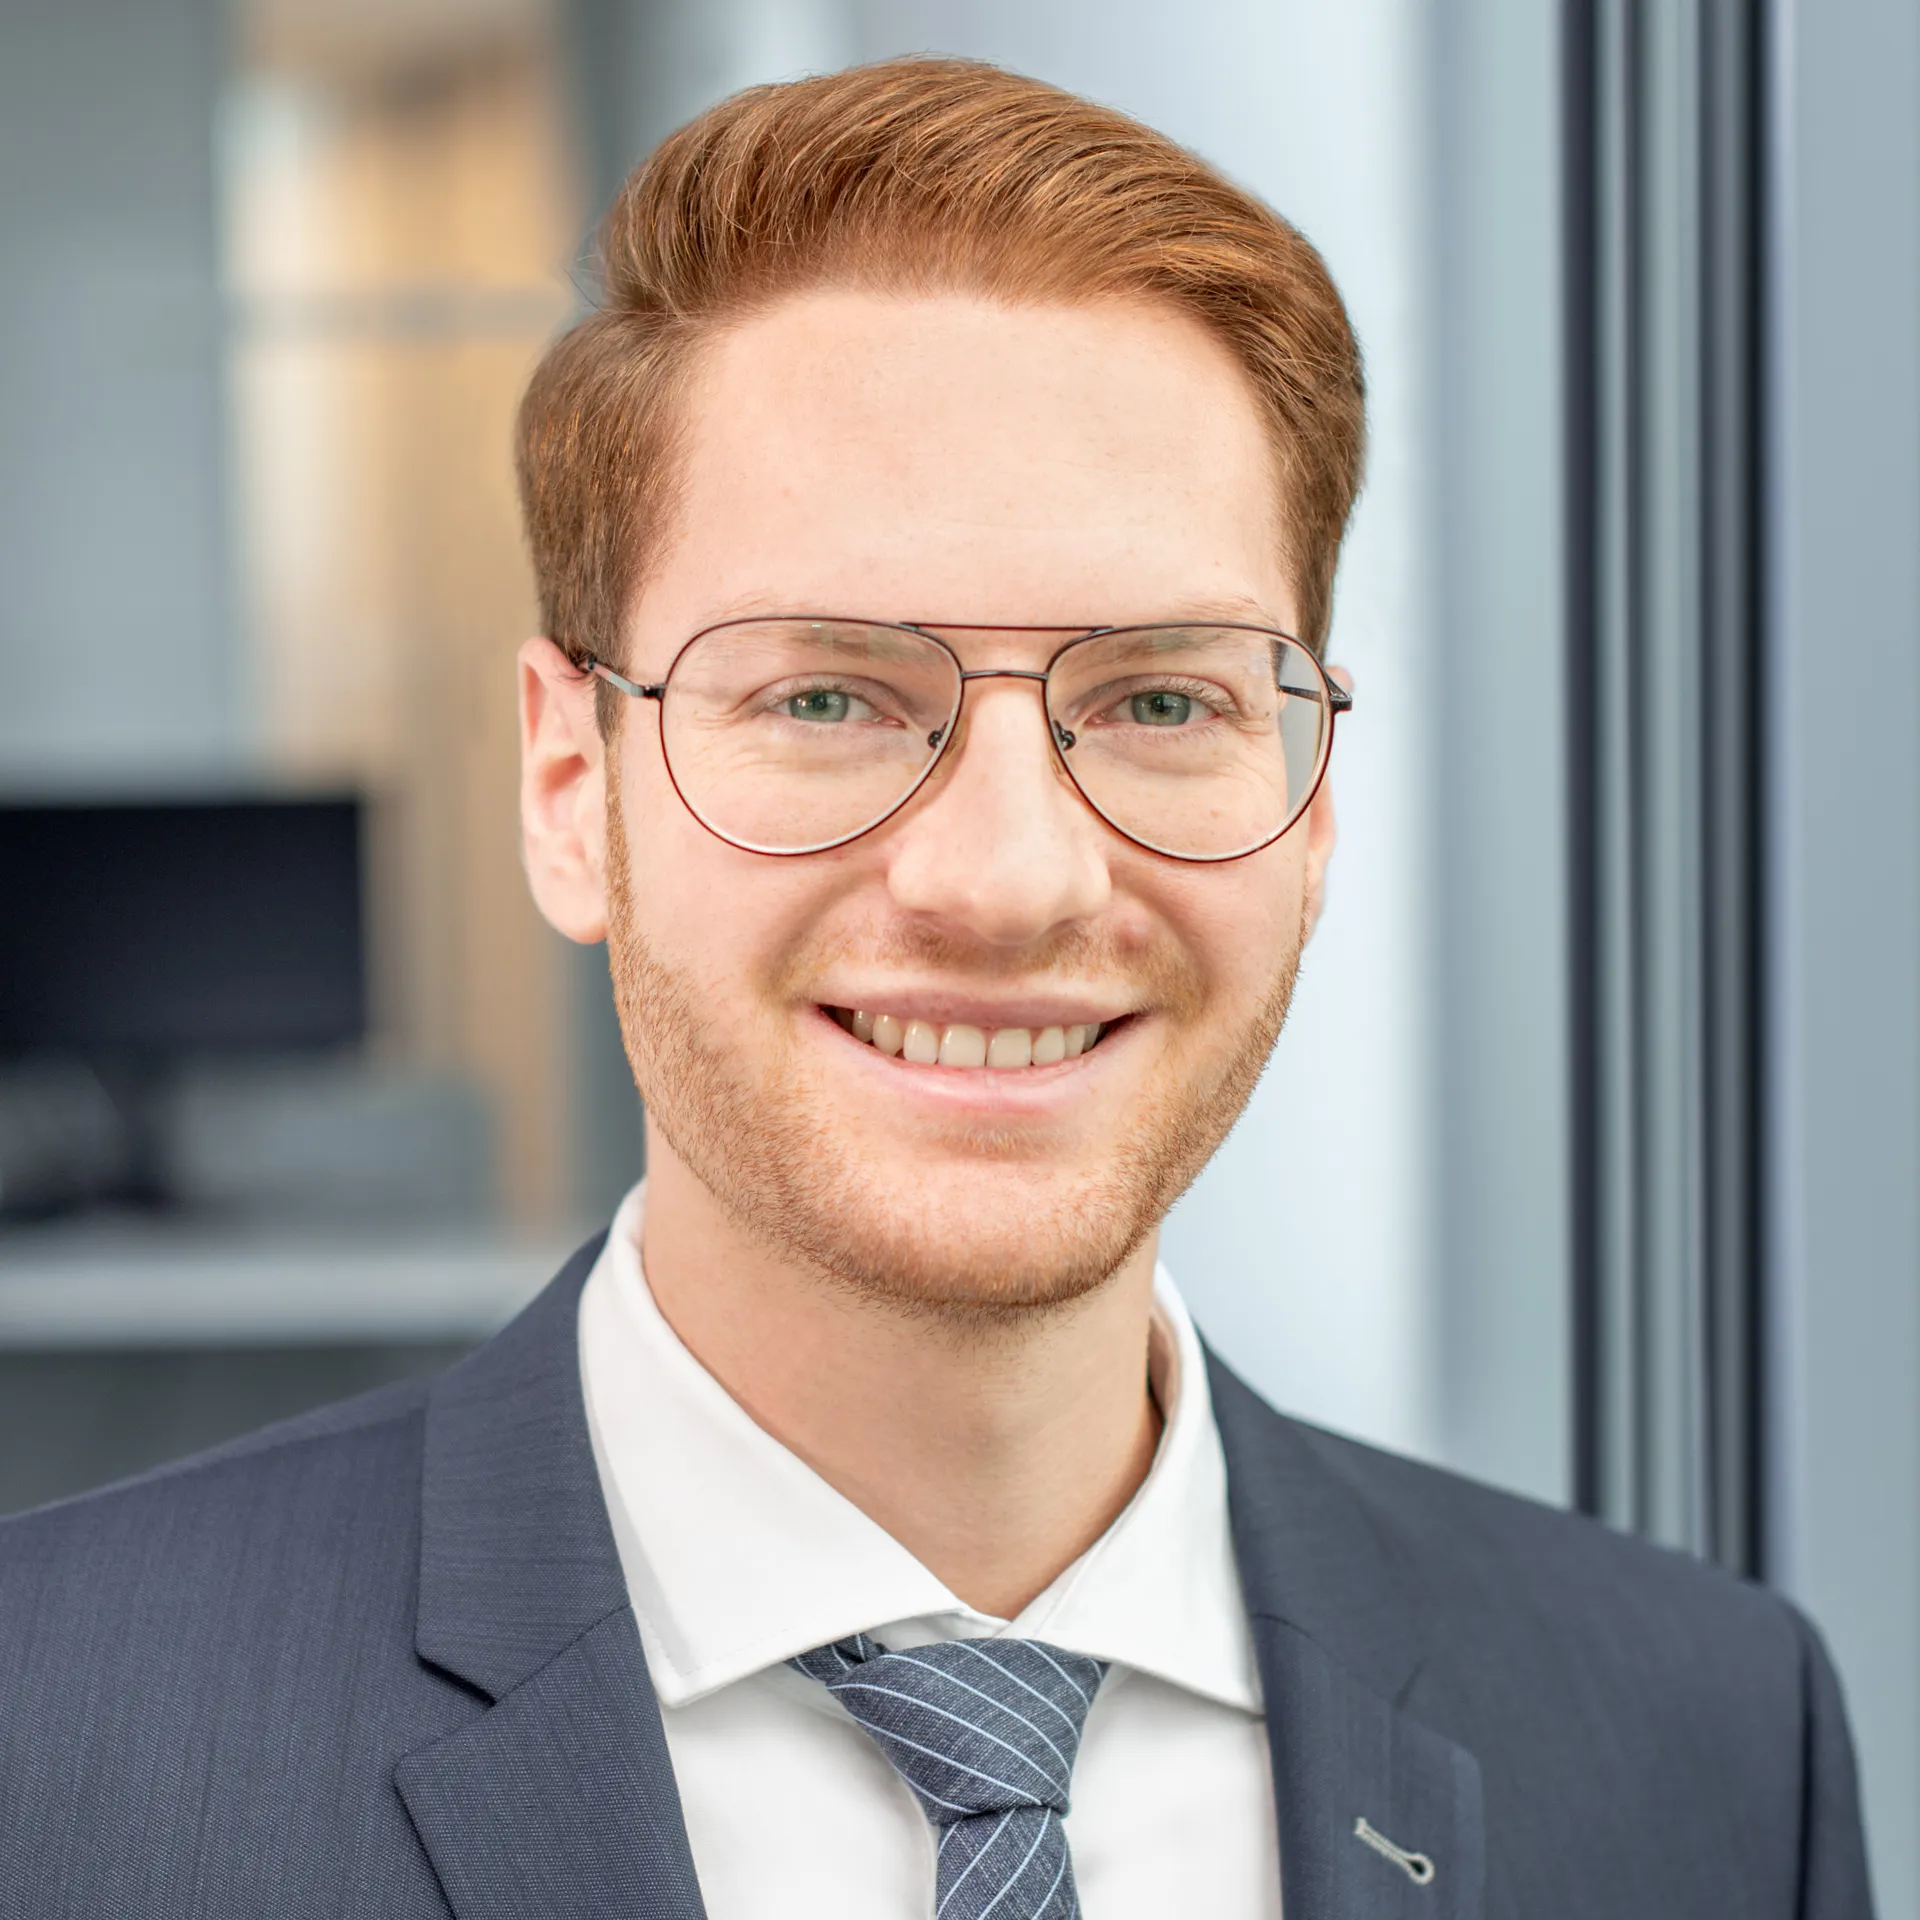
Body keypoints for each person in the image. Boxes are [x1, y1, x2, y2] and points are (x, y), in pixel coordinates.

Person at [0, 57, 1873, 1920]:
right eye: (825, 695)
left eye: (1161, 700)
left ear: (1312, 808)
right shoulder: (55, 1734)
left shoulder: (1704, 1739)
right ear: (573, 793)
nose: (1008, 881)